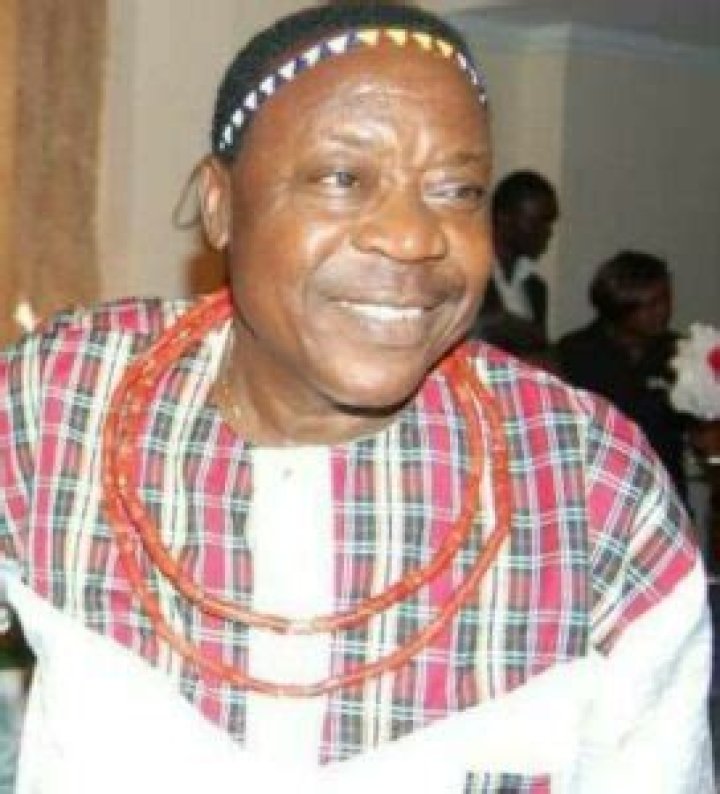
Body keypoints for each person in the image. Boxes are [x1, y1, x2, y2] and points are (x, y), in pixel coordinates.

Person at [0, 4, 712, 792]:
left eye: (457, 190)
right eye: (343, 178)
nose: (412, 237)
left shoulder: (590, 484)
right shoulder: (66, 400)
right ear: (220, 205)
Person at [557, 250, 690, 503]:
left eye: (665, 300)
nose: (662, 311)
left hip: (663, 491)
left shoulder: (682, 354)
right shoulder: (575, 353)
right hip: (596, 490)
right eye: (650, 305)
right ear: (619, 306)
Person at [468, 169, 559, 362]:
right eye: (536, 222)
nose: (547, 232)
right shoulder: (471, 277)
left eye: (549, 223)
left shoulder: (536, 288)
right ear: (504, 218)